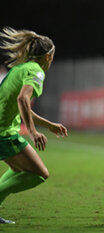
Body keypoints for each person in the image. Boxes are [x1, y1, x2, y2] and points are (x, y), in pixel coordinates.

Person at [0, 27, 67, 224]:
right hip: (3, 133)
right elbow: (23, 99)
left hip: (5, 130)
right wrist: (32, 131)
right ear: (48, 56)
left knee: (21, 169)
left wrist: (49, 125)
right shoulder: (36, 71)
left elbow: (21, 105)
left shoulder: (21, 68)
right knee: (39, 174)